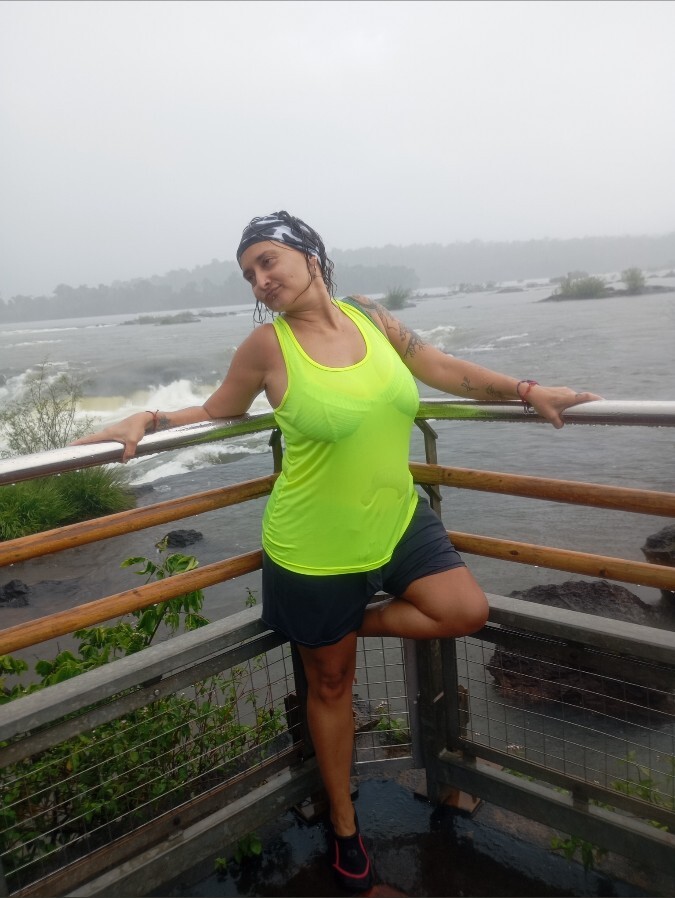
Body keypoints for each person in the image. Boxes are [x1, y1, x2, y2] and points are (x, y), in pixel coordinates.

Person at [73, 211, 600, 892]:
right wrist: (147, 418)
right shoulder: (266, 347)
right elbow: (220, 409)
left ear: (310, 256)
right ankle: (348, 833)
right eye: (249, 274)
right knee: (331, 688)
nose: (260, 281)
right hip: (314, 547)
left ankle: (335, 626)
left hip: (399, 520)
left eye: (268, 261)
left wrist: (527, 391)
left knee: (463, 609)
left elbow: (441, 368)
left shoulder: (371, 316)